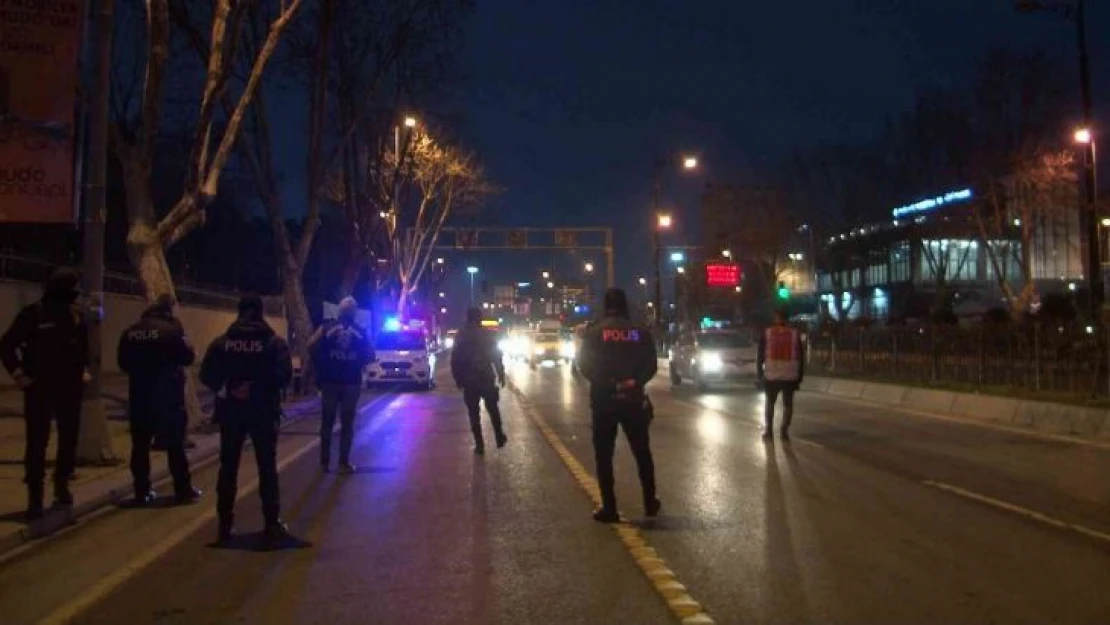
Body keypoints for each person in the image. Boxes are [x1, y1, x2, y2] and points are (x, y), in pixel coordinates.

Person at [200, 294, 293, 547]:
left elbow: (206, 373)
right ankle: (271, 524)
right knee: (266, 468)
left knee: (228, 468)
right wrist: (257, 388)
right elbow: (284, 376)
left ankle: (224, 525)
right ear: (261, 312)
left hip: (231, 411)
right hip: (263, 412)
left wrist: (231, 386)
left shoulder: (223, 342)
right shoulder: (274, 343)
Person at [0, 268, 88, 519]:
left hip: (69, 388)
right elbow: (6, 346)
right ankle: (35, 498)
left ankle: (61, 487)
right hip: (40, 388)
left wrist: (82, 372)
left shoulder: (76, 316)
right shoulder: (33, 314)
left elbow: (83, 349)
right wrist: (20, 376)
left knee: (68, 440)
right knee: (37, 443)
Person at [577, 288, 660, 523]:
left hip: (604, 402)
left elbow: (584, 365)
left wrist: (609, 384)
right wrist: (634, 381)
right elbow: (651, 365)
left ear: (606, 306)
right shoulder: (640, 333)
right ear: (625, 305)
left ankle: (610, 508)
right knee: (642, 453)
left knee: (604, 456)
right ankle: (650, 502)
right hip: (634, 400)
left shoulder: (594, 334)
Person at [116, 294, 201, 505]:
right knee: (175, 447)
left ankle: (142, 491)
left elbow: (123, 363)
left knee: (140, 446)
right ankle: (183, 490)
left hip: (140, 398)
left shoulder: (131, 332)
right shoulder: (172, 331)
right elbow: (188, 357)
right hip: (168, 398)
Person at [308, 296, 373, 474]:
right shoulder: (360, 331)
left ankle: (324, 463)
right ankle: (343, 462)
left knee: (327, 423)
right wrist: (357, 362)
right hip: (351, 382)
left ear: (339, 311)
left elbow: (310, 345)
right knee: (347, 424)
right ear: (354, 313)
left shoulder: (326, 328)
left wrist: (321, 366)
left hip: (329, 381)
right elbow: (370, 354)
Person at [450, 307, 507, 454]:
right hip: (486, 377)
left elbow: (455, 359)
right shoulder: (487, 334)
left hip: (469, 381)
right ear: (479, 318)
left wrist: (458, 378)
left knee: (473, 413)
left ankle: (479, 444)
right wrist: (500, 373)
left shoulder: (461, 335)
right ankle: (499, 435)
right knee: (493, 409)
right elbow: (496, 355)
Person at [757, 309, 805, 440]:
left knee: (770, 404)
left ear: (776, 317)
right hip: (790, 376)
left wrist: (760, 373)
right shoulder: (794, 334)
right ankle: (784, 431)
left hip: (771, 376)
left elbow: (760, 355)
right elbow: (801, 356)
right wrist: (800, 375)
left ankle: (769, 432)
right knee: (788, 404)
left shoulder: (767, 333)